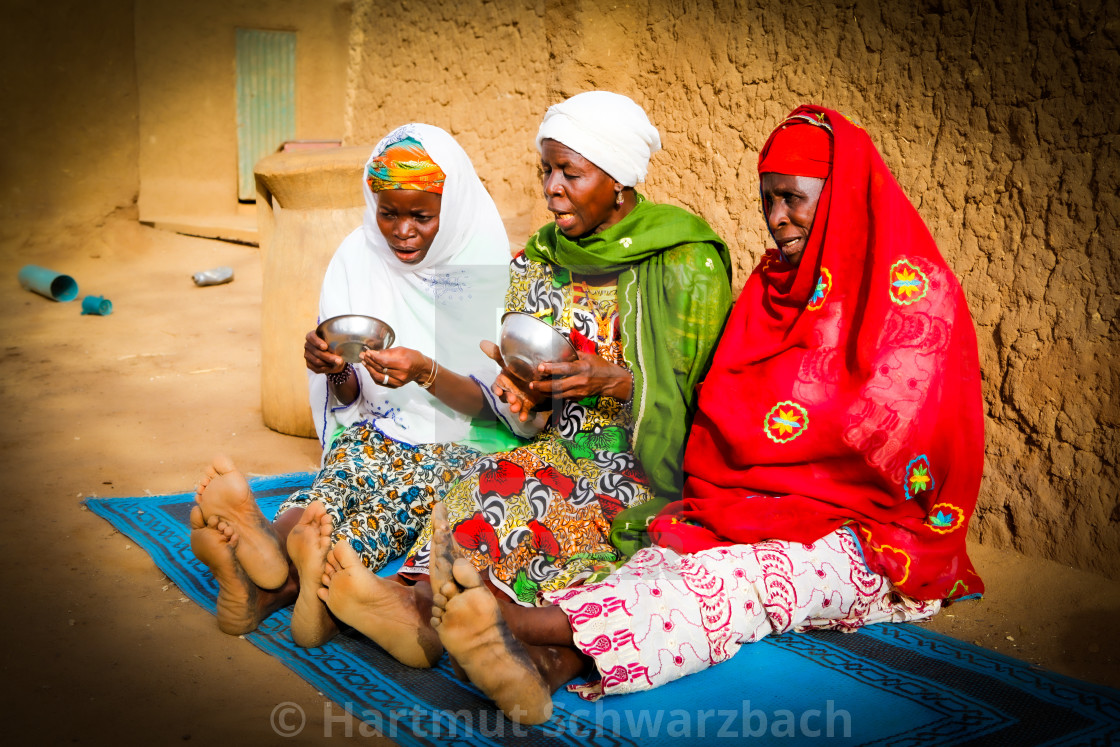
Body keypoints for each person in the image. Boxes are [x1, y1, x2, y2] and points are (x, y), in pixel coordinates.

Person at [424, 105, 986, 724]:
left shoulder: (915, 298)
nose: (777, 220)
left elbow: (912, 446)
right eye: (768, 200)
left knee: (740, 578)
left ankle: (522, 623)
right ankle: (545, 665)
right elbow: (726, 407)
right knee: (666, 557)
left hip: (871, 528)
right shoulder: (774, 287)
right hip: (746, 502)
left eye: (794, 200)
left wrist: (787, 483)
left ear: (842, 197)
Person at [313, 91, 733, 670]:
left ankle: (444, 619)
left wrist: (616, 383)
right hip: (553, 449)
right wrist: (518, 397)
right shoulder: (538, 260)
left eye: (571, 172)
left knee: (538, 509)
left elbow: (713, 402)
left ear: (619, 178)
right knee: (480, 486)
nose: (552, 187)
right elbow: (523, 419)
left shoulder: (686, 263)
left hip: (639, 467)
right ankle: (418, 609)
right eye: (547, 170)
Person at [190, 123, 514, 646]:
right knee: (343, 480)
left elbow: (496, 409)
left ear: (449, 211)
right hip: (378, 428)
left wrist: (425, 372)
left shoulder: (483, 265)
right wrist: (333, 367)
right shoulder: (357, 257)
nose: (402, 230)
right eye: (389, 213)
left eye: (421, 217)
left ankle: (266, 579)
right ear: (372, 203)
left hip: (461, 444)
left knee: (388, 502)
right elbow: (349, 400)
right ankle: (286, 566)